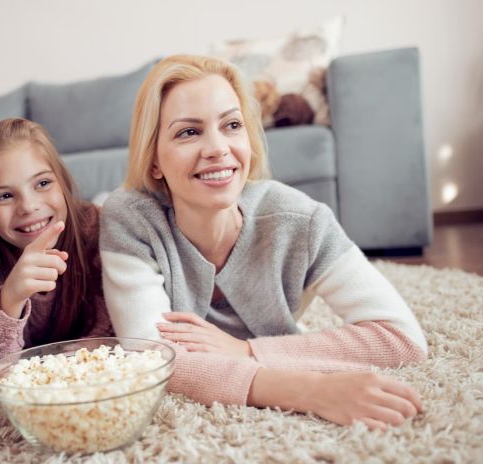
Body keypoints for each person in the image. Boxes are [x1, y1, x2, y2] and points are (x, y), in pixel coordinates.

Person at [99, 55, 428, 430]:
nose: (218, 148)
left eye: (232, 125)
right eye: (188, 132)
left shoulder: (302, 220)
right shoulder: (129, 217)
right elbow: (152, 358)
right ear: (154, 160)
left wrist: (247, 350)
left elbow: (402, 338)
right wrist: (309, 390)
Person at [0, 118, 113, 412]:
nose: (29, 206)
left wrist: (42, 370)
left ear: (62, 181)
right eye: (4, 196)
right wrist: (11, 298)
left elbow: (119, 341)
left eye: (42, 183)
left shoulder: (101, 230)